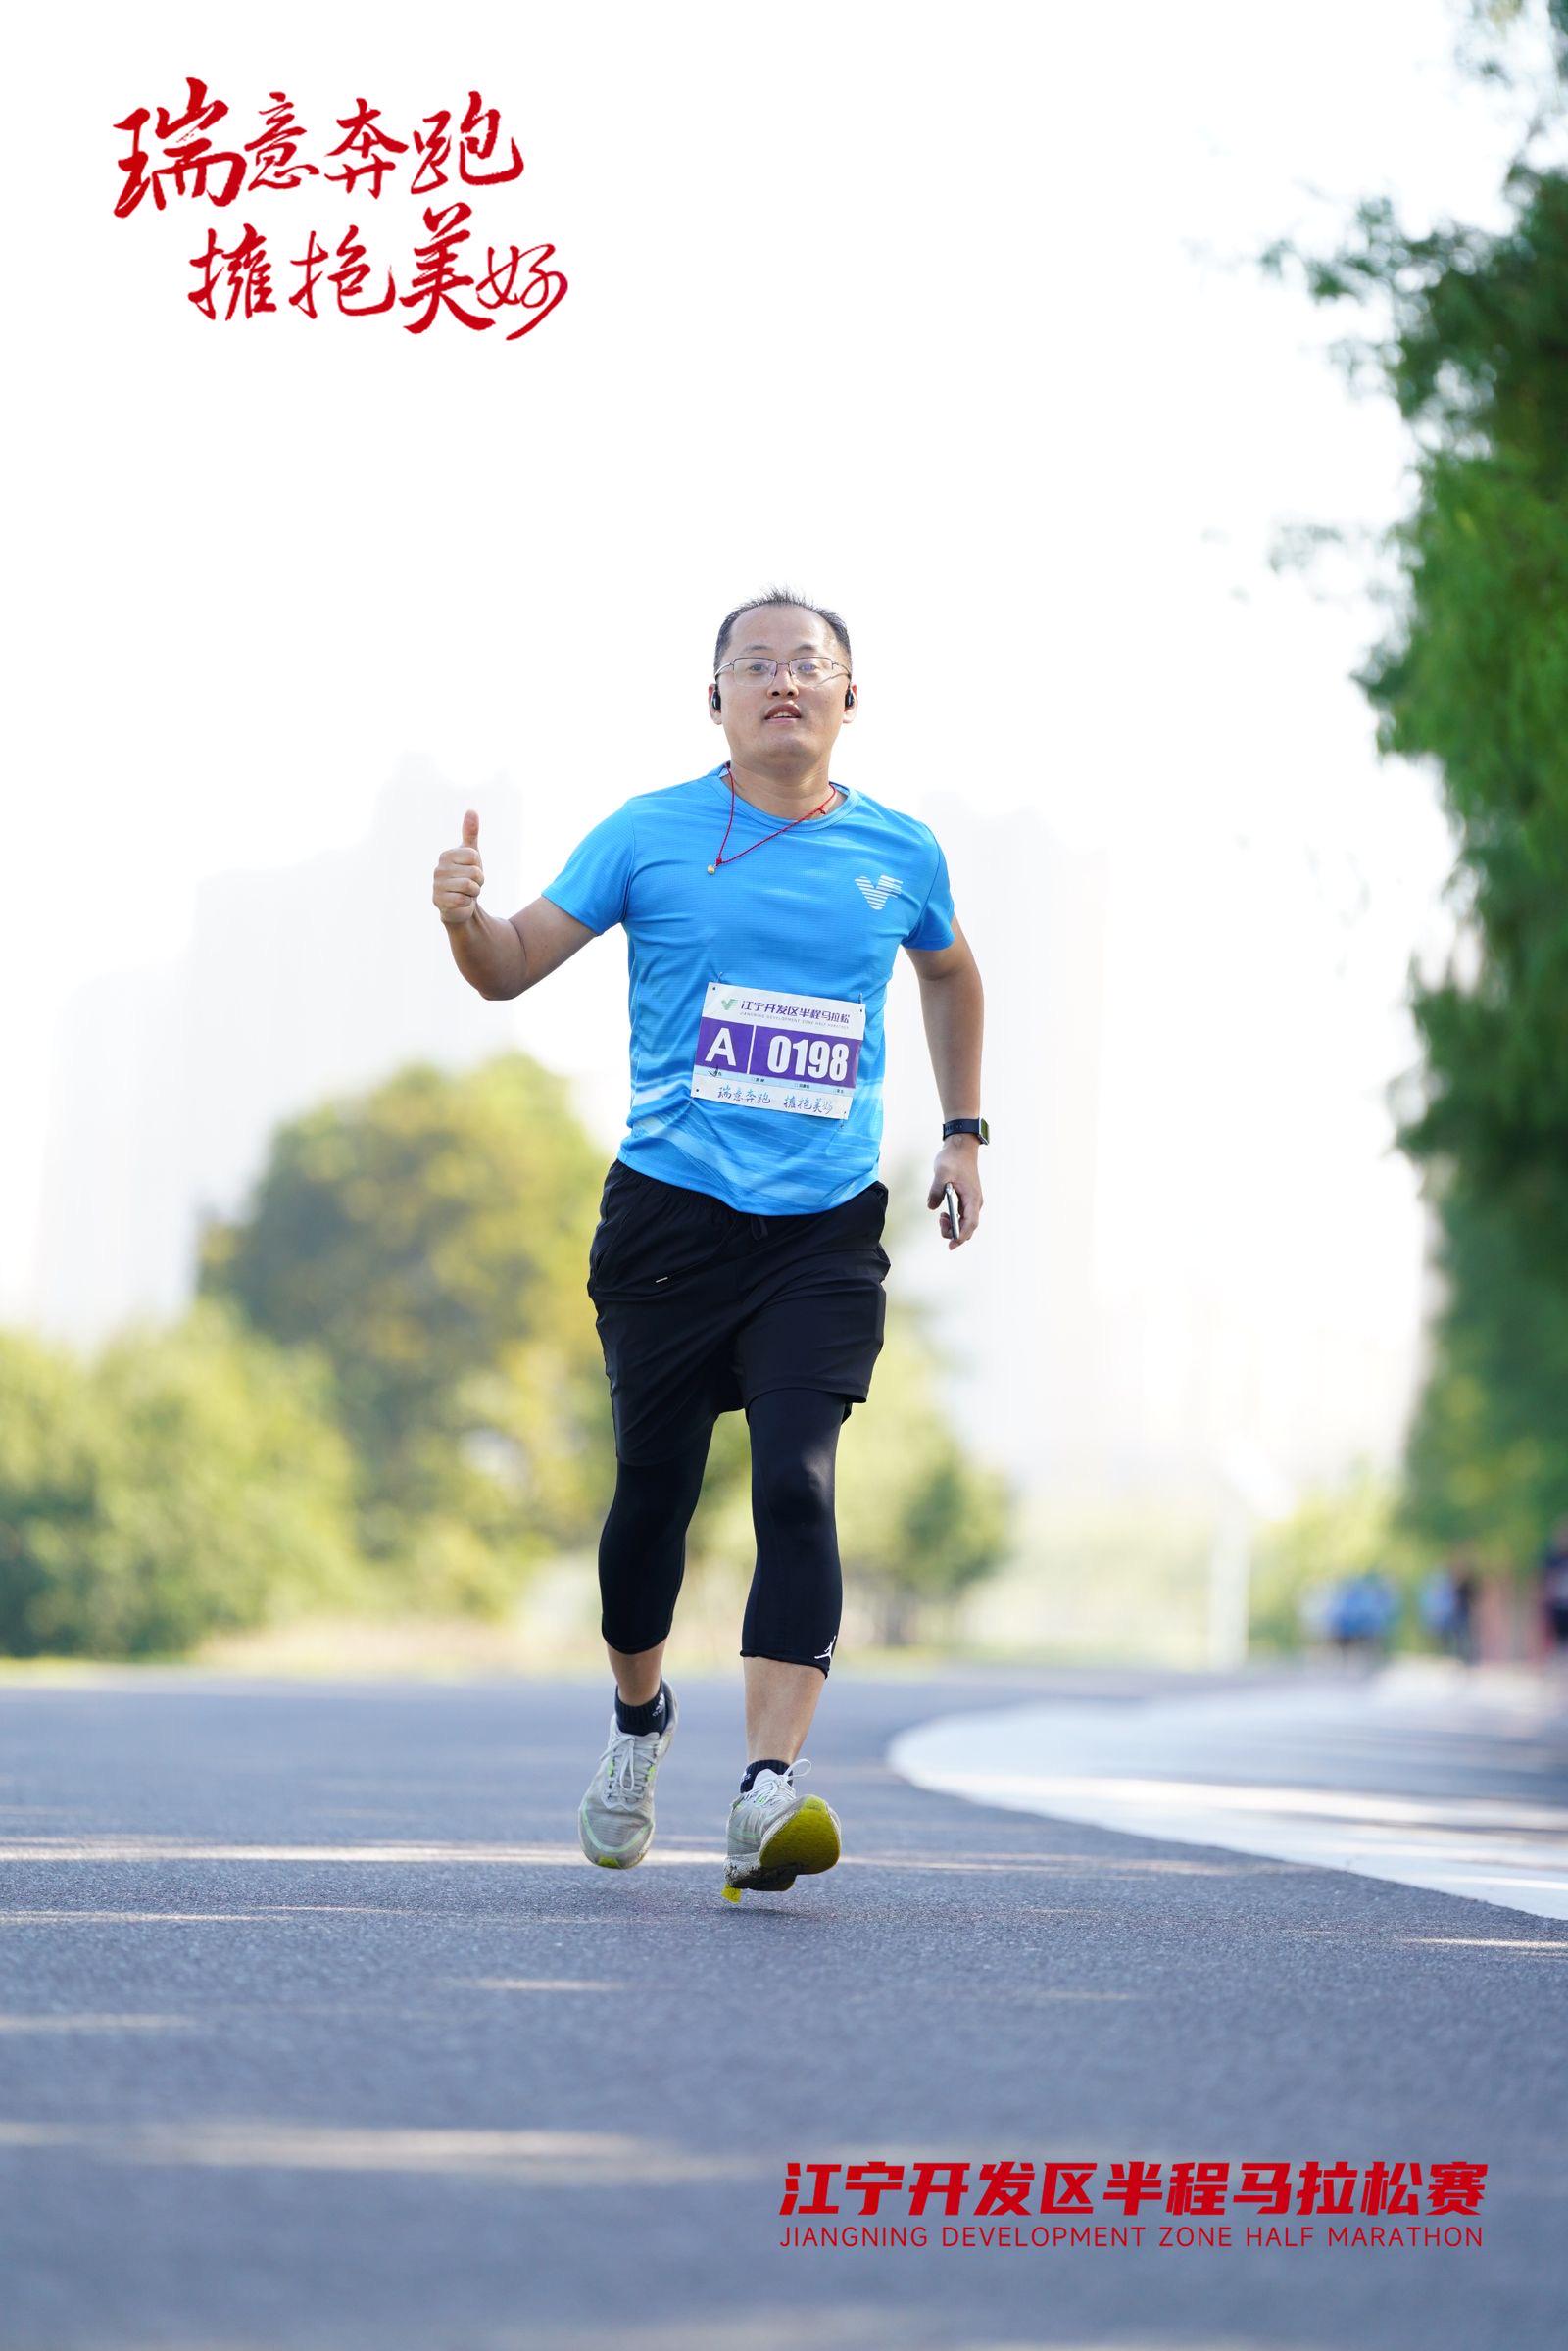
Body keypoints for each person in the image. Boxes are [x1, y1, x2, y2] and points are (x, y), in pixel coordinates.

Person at [431, 588, 987, 1898]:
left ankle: (765, 1789)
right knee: (653, 1497)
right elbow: (511, 964)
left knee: (799, 1483)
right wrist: (462, 918)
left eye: (811, 663)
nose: (784, 681)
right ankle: (639, 1725)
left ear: (850, 697)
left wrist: (964, 1130)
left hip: (823, 1228)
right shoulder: (649, 833)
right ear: (716, 699)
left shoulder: (902, 853)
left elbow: (951, 971)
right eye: (756, 664)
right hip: (672, 1215)